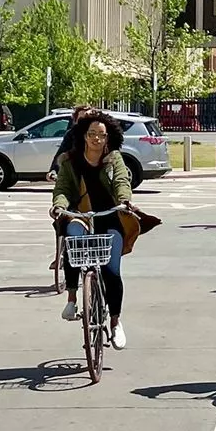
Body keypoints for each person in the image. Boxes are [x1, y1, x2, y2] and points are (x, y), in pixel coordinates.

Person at [50, 110, 141, 350]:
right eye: (92, 134)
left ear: (108, 137)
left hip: (109, 218)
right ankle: (72, 297)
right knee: (73, 241)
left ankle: (115, 322)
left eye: (102, 135)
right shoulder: (70, 161)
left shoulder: (114, 159)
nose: (97, 139)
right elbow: (62, 189)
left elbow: (122, 181)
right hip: (80, 215)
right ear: (83, 135)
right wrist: (59, 206)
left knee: (112, 270)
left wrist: (125, 200)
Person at [48, 105, 94, 272]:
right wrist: (54, 170)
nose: (85, 122)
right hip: (74, 184)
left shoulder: (100, 136)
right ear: (75, 120)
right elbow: (61, 155)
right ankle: (63, 254)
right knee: (62, 218)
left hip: (95, 187)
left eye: (89, 118)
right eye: (81, 118)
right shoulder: (71, 136)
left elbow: (114, 159)